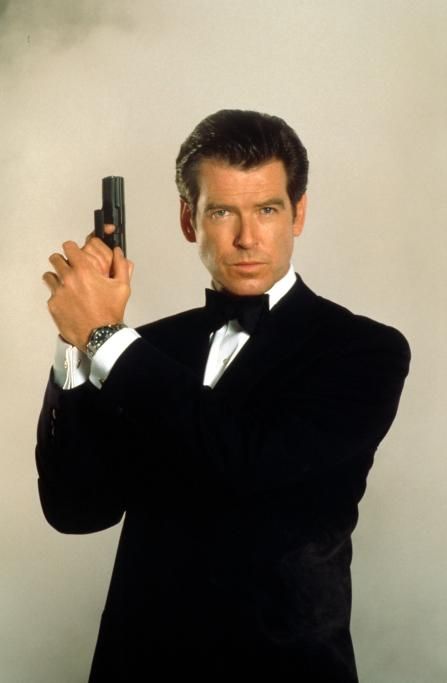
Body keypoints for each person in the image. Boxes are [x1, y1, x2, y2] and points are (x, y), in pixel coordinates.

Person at [37, 110, 410, 682]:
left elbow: (246, 461)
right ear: (189, 220)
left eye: (267, 210)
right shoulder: (146, 351)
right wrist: (76, 347)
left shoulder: (364, 351)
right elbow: (76, 509)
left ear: (298, 213)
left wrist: (104, 337)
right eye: (222, 212)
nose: (247, 237)